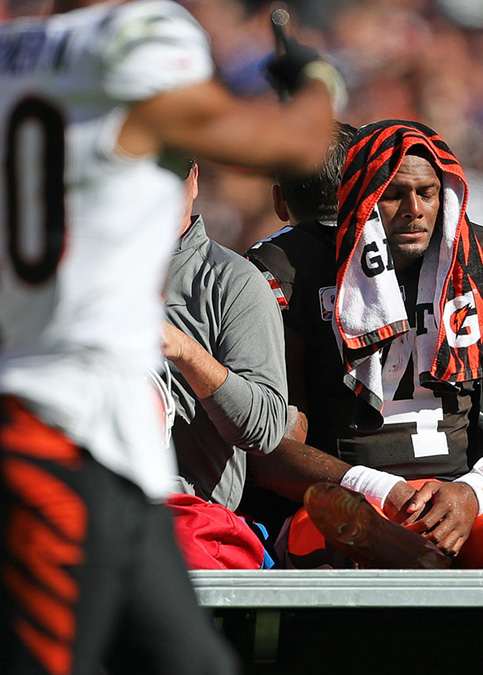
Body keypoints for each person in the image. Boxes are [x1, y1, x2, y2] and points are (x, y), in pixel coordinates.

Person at [0, 0, 340, 672]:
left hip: (115, 451)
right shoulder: (132, 36)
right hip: (61, 433)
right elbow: (298, 146)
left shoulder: (14, 53)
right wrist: (315, 81)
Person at [248, 120, 483, 570]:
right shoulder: (294, 266)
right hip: (353, 500)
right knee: (336, 528)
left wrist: (473, 492)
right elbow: (274, 451)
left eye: (427, 193)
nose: (414, 210)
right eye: (393, 195)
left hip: (462, 501)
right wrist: (382, 490)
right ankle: (403, 552)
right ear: (358, 196)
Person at [161, 158, 288, 570]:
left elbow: (265, 428)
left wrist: (186, 351)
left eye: (173, 174)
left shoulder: (233, 282)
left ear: (194, 179)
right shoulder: (78, 276)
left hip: (189, 518)